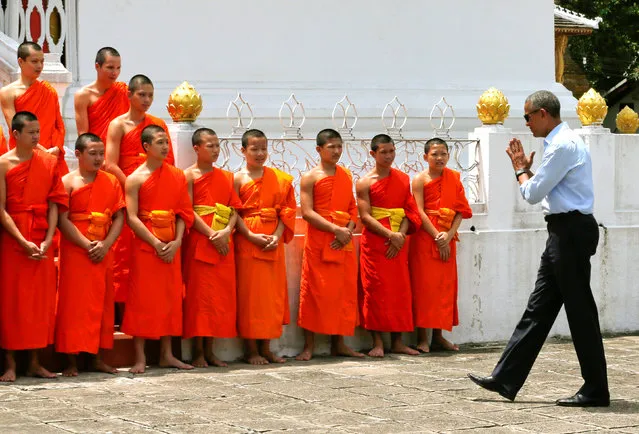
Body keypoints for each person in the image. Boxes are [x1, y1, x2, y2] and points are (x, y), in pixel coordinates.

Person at [468, 90, 610, 407]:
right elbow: (546, 193)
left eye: (528, 116)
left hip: (570, 232)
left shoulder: (562, 145)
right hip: (563, 230)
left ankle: (596, 388)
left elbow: (531, 194)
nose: (527, 123)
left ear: (543, 114)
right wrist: (527, 173)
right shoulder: (559, 143)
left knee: (579, 312)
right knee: (540, 308)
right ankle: (506, 378)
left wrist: (520, 167)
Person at [0, 111, 68, 382]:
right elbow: (1, 209)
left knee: (39, 303)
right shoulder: (4, 164)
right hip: (13, 239)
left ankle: (36, 361)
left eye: (38, 132)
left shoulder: (48, 162)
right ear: (15, 135)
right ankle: (11, 363)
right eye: (31, 132)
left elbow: (55, 203)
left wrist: (49, 238)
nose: (37, 137)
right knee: (12, 302)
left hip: (41, 237)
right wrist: (20, 239)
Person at [121, 125, 194, 374]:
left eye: (166, 142)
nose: (165, 147)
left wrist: (177, 242)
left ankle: (166, 354)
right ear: (146, 147)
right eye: (160, 142)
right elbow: (131, 217)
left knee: (169, 298)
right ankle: (140, 357)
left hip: (172, 244)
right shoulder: (135, 179)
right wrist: (154, 242)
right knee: (142, 299)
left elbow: (184, 212)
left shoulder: (176, 175)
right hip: (146, 246)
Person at [55, 133, 125, 376]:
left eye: (100, 153)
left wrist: (105, 244)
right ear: (78, 154)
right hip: (76, 250)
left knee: (102, 303)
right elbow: (62, 220)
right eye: (92, 153)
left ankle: (97, 357)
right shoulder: (67, 182)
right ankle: (71, 360)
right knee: (73, 304)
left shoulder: (111, 181)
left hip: (103, 249)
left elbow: (119, 217)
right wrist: (86, 244)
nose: (98, 158)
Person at [105, 74, 175, 304]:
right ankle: (121, 304)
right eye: (142, 94)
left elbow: (168, 163)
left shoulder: (158, 125)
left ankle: (149, 301)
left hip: (154, 193)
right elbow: (110, 164)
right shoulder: (117, 125)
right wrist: (133, 188)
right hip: (128, 190)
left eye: (150, 95)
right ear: (129, 95)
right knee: (125, 248)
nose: (146, 100)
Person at [296, 129, 363, 361]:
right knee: (315, 292)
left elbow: (352, 208)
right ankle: (309, 346)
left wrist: (349, 228)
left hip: (343, 239)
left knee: (343, 293)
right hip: (321, 240)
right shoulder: (310, 177)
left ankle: (340, 343)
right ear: (319, 150)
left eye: (339, 146)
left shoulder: (345, 175)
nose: (336, 151)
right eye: (331, 147)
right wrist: (335, 229)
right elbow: (307, 212)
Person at [233, 129, 296, 365]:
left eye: (263, 149)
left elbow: (287, 212)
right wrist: (250, 234)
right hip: (248, 242)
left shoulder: (279, 178)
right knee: (250, 296)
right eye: (254, 149)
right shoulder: (238, 179)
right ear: (243, 151)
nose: (260, 154)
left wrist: (277, 236)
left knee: (272, 296)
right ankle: (251, 350)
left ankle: (267, 347)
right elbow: (233, 212)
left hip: (272, 242)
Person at [356, 134, 421, 357]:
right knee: (374, 290)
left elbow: (409, 210)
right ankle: (377, 342)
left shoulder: (403, 179)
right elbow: (365, 216)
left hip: (398, 241)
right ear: (373, 154)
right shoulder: (365, 182)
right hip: (375, 242)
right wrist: (389, 235)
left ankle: (398, 341)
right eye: (383, 152)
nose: (388, 156)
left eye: (392, 151)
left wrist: (400, 236)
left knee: (399, 291)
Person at [182, 128, 241, 368]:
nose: (216, 150)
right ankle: (197, 351)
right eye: (210, 146)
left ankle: (211, 350)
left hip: (223, 242)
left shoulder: (227, 177)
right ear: (196, 148)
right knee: (199, 297)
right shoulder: (187, 176)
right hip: (200, 239)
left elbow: (234, 209)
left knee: (218, 298)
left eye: (218, 145)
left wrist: (226, 232)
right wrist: (210, 234)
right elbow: (187, 209)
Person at [409, 138, 472, 353]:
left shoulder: (453, 177)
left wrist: (449, 235)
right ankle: (422, 338)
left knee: (444, 289)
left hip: (448, 236)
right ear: (425, 156)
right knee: (424, 287)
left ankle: (438, 336)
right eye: (435, 154)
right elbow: (419, 211)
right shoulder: (419, 180)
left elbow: (461, 210)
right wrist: (437, 236)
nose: (439, 158)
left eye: (443, 153)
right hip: (426, 238)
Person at [0, 42, 67, 174]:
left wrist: (57, 148)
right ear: (21, 61)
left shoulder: (48, 91)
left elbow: (59, 125)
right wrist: (41, 150)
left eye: (42, 61)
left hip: (51, 154)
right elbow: (16, 129)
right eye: (34, 61)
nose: (39, 66)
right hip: (24, 156)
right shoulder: (8, 93)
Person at [74, 47, 129, 144]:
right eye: (110, 67)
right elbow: (83, 135)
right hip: (97, 153)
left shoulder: (124, 91)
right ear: (97, 66)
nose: (115, 73)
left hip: (122, 150)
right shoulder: (83, 95)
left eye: (118, 68)